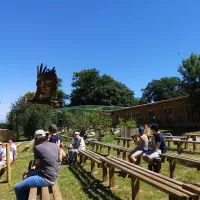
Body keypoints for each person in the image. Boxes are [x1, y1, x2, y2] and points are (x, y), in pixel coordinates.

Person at [14, 129, 62, 200]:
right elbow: (57, 160)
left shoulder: (37, 148)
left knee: (17, 187)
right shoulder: (54, 145)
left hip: (47, 178)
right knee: (25, 175)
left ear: (36, 139)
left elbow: (38, 164)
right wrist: (31, 171)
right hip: (55, 174)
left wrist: (31, 170)